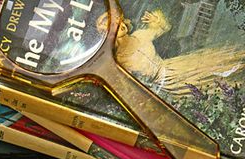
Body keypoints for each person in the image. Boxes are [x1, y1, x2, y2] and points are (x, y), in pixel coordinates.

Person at [97, 9, 245, 96]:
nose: (121, 25)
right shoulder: (119, 61)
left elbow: (164, 28)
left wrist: (157, 20)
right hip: (169, 85)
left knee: (214, 64)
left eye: (120, 21)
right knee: (209, 85)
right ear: (108, 35)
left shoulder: (140, 35)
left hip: (176, 66)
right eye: (114, 25)